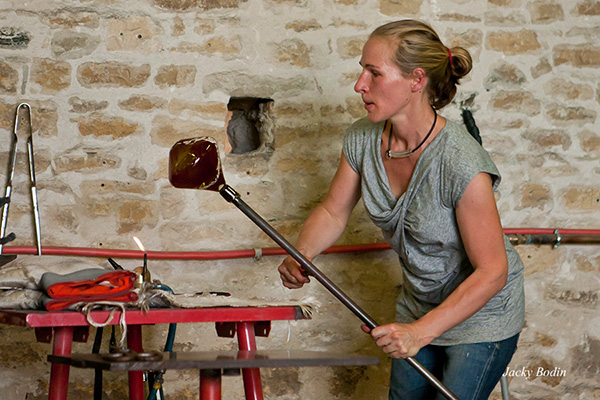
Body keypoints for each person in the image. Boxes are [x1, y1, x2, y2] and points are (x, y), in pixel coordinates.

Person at [277, 19, 525, 400]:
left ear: (416, 80)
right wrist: (303, 252)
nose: (360, 84)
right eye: (363, 70)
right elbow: (332, 211)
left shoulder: (461, 161)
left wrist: (418, 332)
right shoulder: (362, 138)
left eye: (374, 73)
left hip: (481, 313)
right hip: (418, 303)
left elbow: (492, 272)